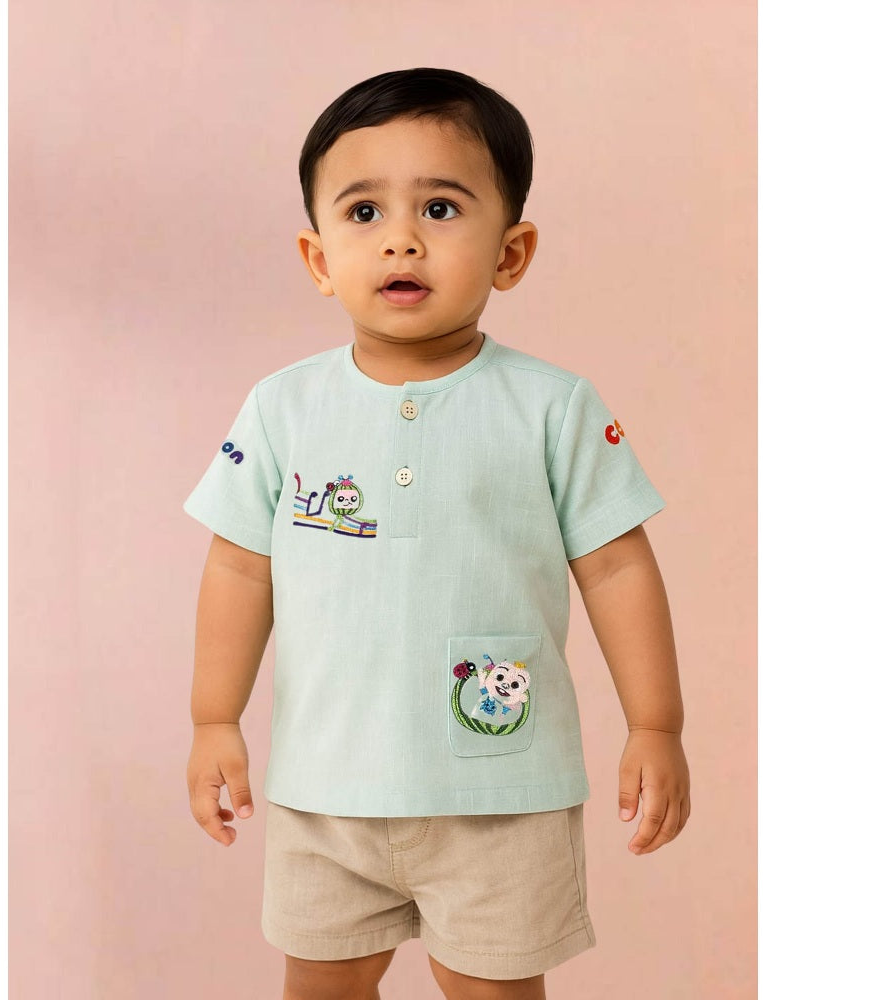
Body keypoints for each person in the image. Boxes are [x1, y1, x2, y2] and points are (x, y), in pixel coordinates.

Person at [184, 68, 690, 1000]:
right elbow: (241, 569)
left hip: (502, 791)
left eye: (443, 208)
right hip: (325, 788)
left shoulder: (553, 407)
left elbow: (618, 568)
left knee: (493, 989)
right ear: (318, 258)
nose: (402, 238)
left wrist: (655, 724)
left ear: (511, 251)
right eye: (364, 212)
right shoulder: (283, 409)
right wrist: (214, 718)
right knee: (321, 986)